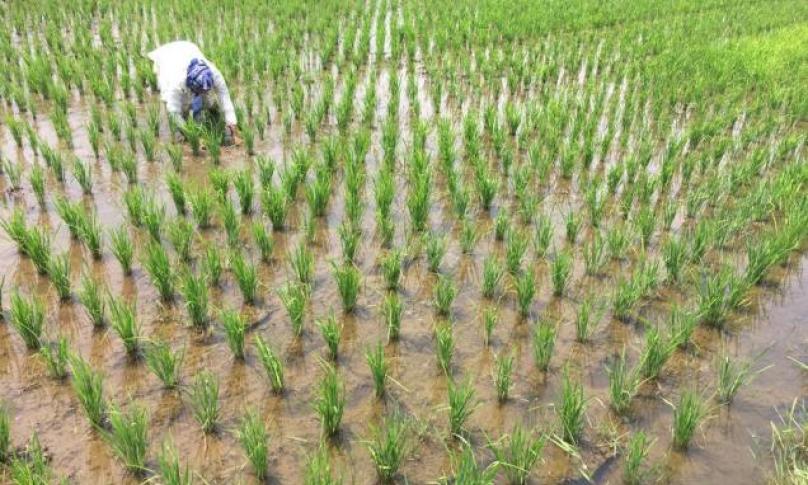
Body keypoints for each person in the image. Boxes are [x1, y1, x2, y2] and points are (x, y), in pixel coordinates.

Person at [147, 41, 238, 144]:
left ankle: (206, 115)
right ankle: (180, 136)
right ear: (191, 84)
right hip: (169, 58)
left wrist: (231, 121)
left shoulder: (213, 74)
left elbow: (224, 94)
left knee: (206, 100)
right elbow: (173, 111)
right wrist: (190, 133)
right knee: (180, 109)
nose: (204, 92)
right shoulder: (175, 81)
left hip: (189, 49)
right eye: (199, 90)